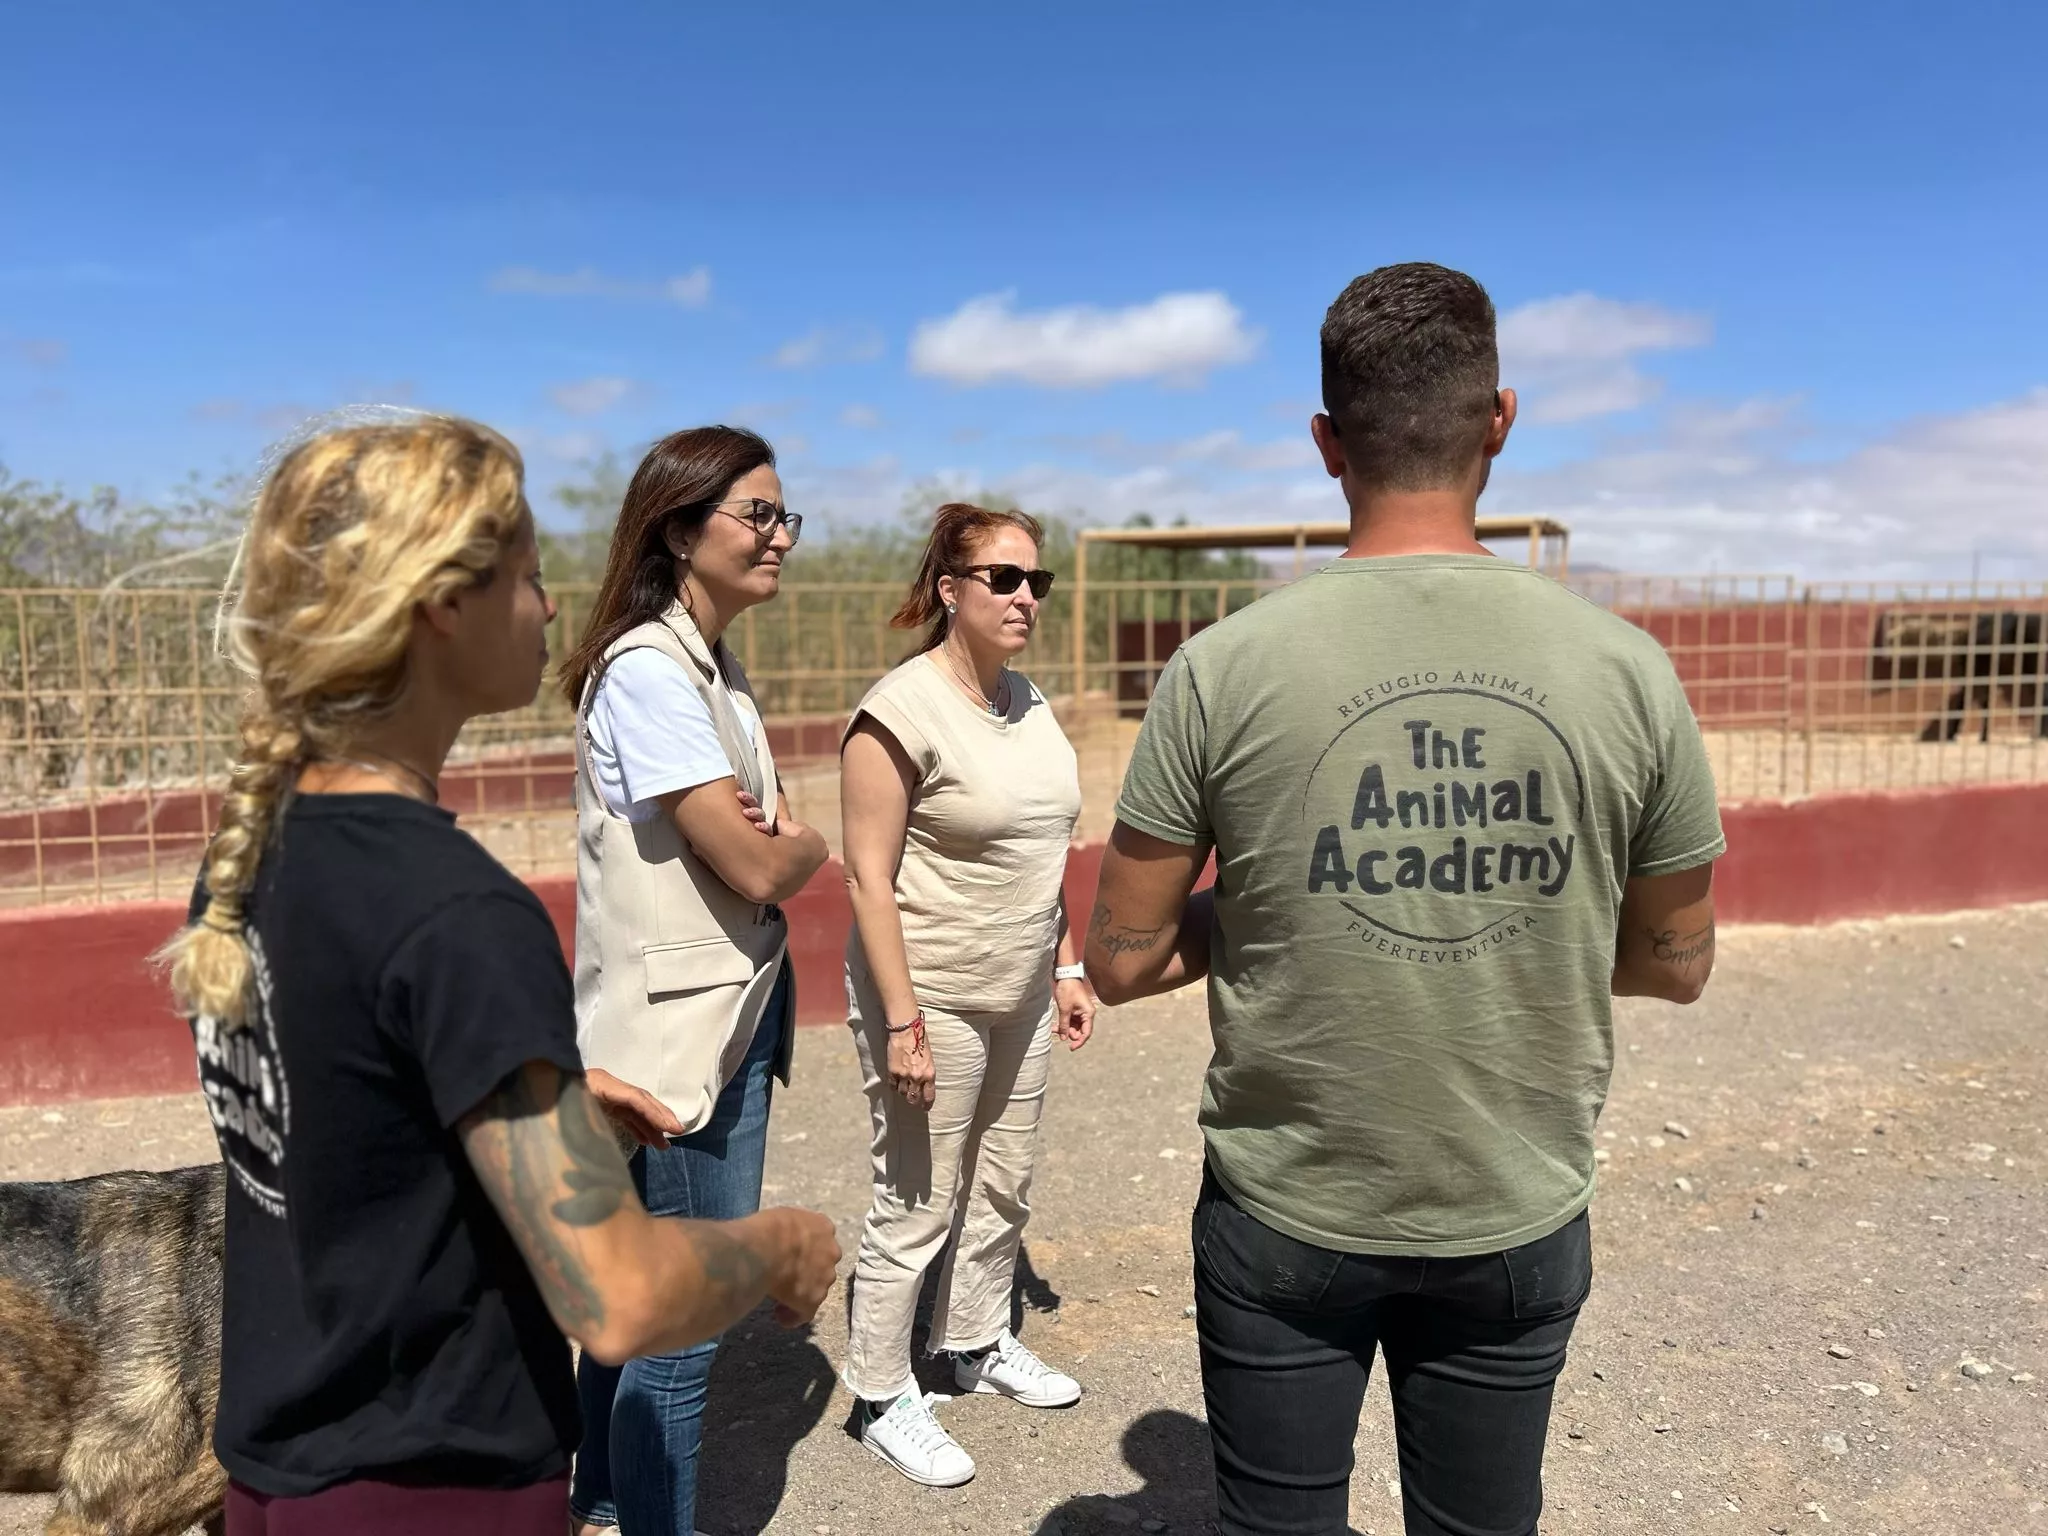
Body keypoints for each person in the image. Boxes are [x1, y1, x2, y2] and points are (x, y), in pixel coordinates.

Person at [1085, 263, 1725, 1536]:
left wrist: (1270, 919)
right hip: (1513, 1206)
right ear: (1498, 420)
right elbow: (1673, 959)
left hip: (1285, 1215)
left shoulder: (1218, 671)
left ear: (1325, 441)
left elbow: (1118, 955)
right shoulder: (1627, 672)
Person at [159, 414, 840, 1536]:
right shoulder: (458, 912)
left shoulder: (255, 860)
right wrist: (776, 1247)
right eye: (526, 577)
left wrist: (554, 1107)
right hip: (435, 1489)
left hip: (286, 1482)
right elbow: (613, 1299)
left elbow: (357, 1138)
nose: (551, 606)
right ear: (440, 606)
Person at [555, 425, 832, 1536]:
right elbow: (760, 858)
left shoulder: (709, 666)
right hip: (680, 1041)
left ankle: (606, 1499)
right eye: (753, 516)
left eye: (781, 517)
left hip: (712, 1019)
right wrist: (805, 848)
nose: (777, 537)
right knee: (684, 1323)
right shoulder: (650, 672)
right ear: (678, 529)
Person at [838, 503, 1096, 1487]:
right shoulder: (898, 712)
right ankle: (878, 1393)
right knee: (915, 1197)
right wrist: (901, 1022)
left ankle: (974, 1345)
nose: (1025, 596)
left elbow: (1042, 851)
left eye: (1036, 581)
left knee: (1001, 1182)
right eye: (1003, 578)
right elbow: (867, 877)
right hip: (932, 993)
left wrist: (1065, 966)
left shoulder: (1029, 701)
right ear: (950, 590)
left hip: (1022, 988)